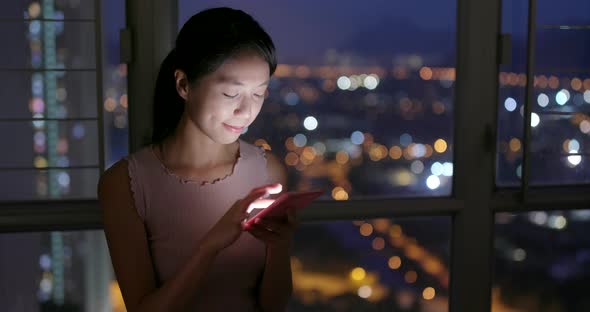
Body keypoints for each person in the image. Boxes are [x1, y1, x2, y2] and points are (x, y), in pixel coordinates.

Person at [98, 7, 296, 311]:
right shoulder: (125, 184)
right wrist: (210, 247)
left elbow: (273, 305)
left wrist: (280, 246)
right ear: (184, 85)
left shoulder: (267, 173)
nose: (246, 112)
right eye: (231, 94)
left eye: (259, 94)